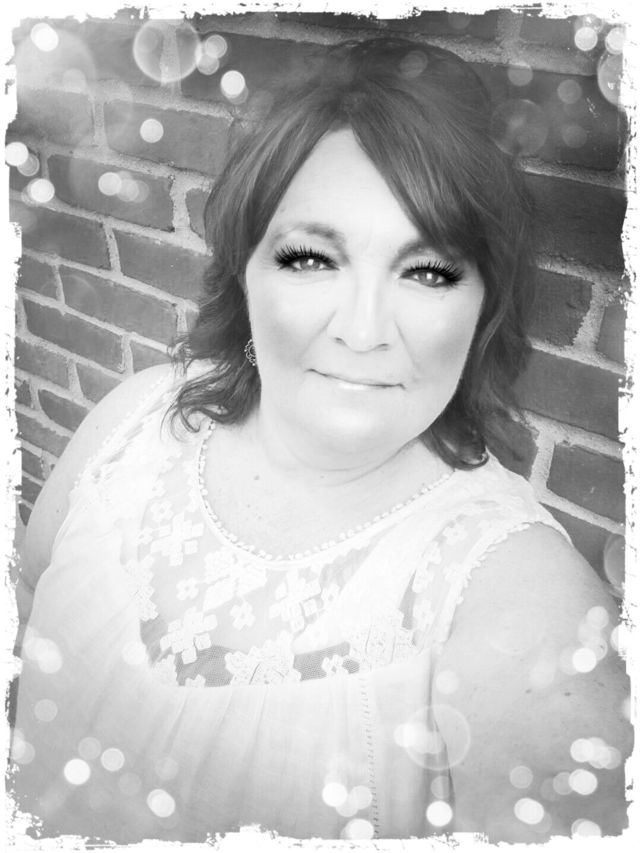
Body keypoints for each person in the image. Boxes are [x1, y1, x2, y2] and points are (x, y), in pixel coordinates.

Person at [10, 36, 631, 843]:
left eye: (428, 271)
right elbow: (28, 612)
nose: (364, 330)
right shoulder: (133, 422)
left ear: (484, 307)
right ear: (245, 270)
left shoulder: (533, 617)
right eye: (310, 258)